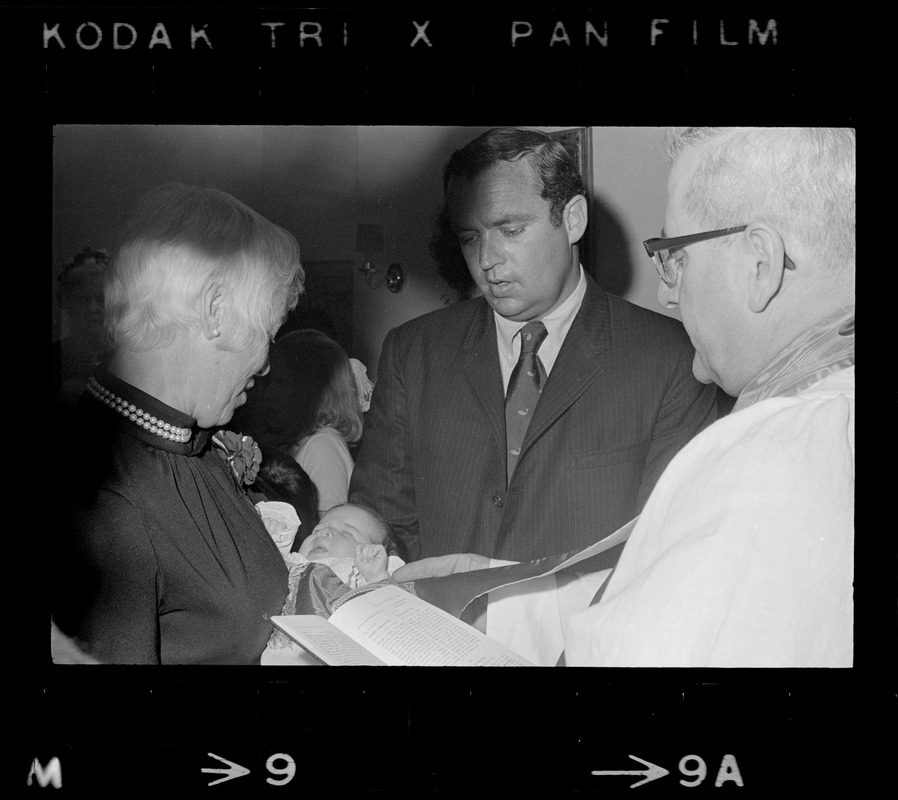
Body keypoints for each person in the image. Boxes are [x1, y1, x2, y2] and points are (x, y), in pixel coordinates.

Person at [396, 126, 855, 668]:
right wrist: (490, 604)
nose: (665, 290)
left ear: (760, 262)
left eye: (676, 254)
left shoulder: (770, 458)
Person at [350, 126, 718, 562]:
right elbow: (379, 526)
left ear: (573, 219)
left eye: (511, 230)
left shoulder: (672, 359)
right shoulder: (412, 353)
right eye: (470, 238)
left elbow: (666, 556)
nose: (487, 260)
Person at [51, 183, 306, 665]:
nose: (267, 363)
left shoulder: (188, 444)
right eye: (267, 332)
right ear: (215, 310)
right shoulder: (105, 501)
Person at [231, 329, 372, 515]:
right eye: (269, 383)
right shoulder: (305, 444)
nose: (269, 393)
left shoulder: (322, 447)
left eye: (282, 383)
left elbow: (325, 525)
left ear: (313, 393)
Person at [53, 246, 113, 417]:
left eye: (100, 300)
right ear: (69, 304)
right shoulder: (56, 357)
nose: (93, 308)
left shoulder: (125, 359)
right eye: (83, 300)